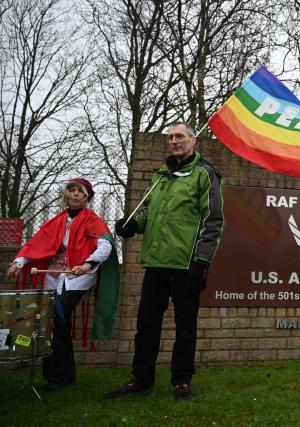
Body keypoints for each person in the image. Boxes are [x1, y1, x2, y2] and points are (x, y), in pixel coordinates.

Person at [104, 121, 224, 401]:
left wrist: (202, 261)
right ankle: (141, 380)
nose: (174, 141)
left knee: (184, 329)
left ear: (194, 141)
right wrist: (133, 225)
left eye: (180, 136)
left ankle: (181, 381)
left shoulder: (204, 174)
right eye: (170, 137)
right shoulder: (160, 176)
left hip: (186, 266)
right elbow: (149, 214)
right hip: (156, 264)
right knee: (146, 326)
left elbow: (213, 221)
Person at [6, 178, 120, 392]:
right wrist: (18, 262)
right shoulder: (57, 221)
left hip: (76, 279)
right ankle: (64, 375)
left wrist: (87, 265)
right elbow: (36, 244)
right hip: (51, 277)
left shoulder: (93, 221)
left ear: (87, 197)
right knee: (56, 324)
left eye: (81, 191)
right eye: (72, 190)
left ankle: (56, 378)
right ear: (67, 195)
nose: (76, 194)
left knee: (55, 320)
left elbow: (105, 246)